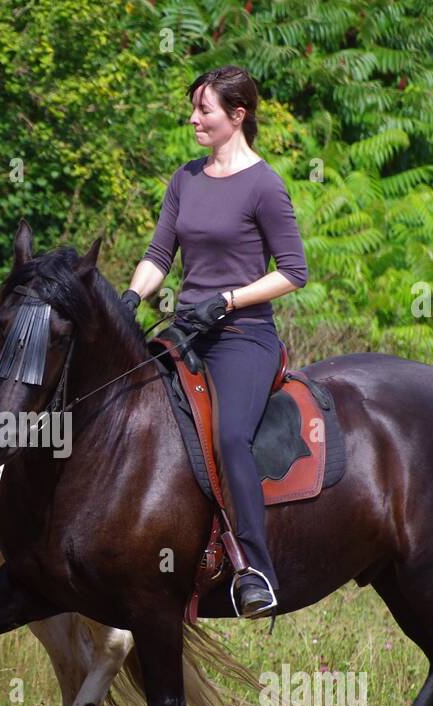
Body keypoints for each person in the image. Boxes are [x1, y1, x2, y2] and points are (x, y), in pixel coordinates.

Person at [120, 66, 308, 617]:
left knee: (229, 438)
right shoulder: (186, 178)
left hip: (243, 337)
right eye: (194, 109)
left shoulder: (264, 185)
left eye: (204, 110)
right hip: (185, 332)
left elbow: (294, 272)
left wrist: (228, 300)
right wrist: (130, 297)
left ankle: (255, 570)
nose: (193, 119)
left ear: (237, 115)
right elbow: (159, 255)